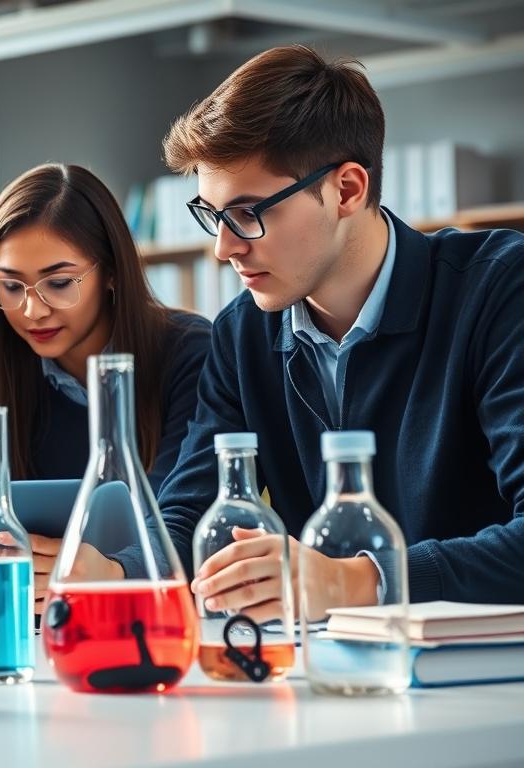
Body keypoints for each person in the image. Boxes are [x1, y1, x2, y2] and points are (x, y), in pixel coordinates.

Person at [134, 44, 524, 618]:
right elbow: (188, 512)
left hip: (486, 663)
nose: (223, 248)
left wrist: (356, 581)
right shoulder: (242, 333)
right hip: (321, 660)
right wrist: (119, 569)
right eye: (213, 217)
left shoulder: (498, 288)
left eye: (248, 213)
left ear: (347, 190)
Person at [0, 163, 210, 607]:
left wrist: (112, 571)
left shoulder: (190, 354)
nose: (33, 310)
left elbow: (189, 519)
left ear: (112, 272)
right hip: (37, 615)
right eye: (11, 286)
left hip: (155, 613)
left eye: (59, 283)